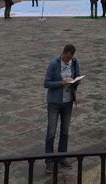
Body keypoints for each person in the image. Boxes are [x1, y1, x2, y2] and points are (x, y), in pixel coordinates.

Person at [43, 44, 82, 174]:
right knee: (51, 132)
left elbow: (78, 78)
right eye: (67, 58)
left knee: (65, 131)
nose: (68, 60)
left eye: (70, 58)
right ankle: (49, 161)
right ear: (63, 53)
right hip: (54, 102)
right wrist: (61, 82)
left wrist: (75, 81)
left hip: (68, 102)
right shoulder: (54, 64)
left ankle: (62, 157)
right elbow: (46, 83)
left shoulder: (74, 63)